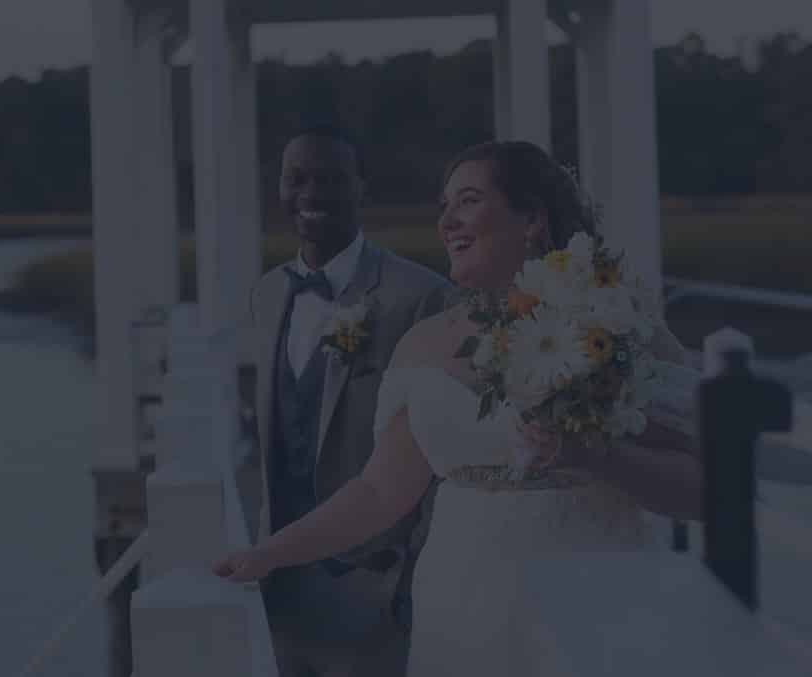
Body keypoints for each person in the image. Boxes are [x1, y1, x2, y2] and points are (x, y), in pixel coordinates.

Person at [217, 140, 700, 675]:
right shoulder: (424, 343)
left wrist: (597, 458)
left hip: (598, 600)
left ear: (533, 218)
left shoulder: (615, 326)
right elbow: (378, 492)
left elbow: (706, 487)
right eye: (443, 206)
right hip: (461, 612)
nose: (447, 221)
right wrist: (269, 554)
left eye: (468, 200)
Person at [244, 123, 450, 677]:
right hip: (281, 588)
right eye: (297, 179)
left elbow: (442, 456)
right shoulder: (266, 294)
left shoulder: (421, 296)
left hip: (375, 589)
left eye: (331, 180)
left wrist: (409, 579)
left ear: (363, 187)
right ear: (281, 188)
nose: (311, 194)